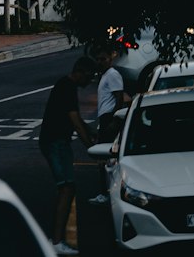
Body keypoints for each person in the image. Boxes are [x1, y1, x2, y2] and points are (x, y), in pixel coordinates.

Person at [39, 55, 97, 256]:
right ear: (80, 72)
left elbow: (76, 117)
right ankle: (56, 240)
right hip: (55, 142)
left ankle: (57, 238)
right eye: (89, 77)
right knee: (66, 188)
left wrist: (90, 132)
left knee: (67, 188)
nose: (90, 81)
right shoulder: (66, 87)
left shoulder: (65, 86)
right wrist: (89, 145)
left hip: (56, 141)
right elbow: (74, 119)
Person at [95, 44, 130, 141]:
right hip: (105, 116)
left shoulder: (112, 74)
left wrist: (115, 120)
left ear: (110, 59)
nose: (99, 62)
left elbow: (119, 97)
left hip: (109, 116)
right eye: (97, 59)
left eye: (103, 59)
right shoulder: (105, 75)